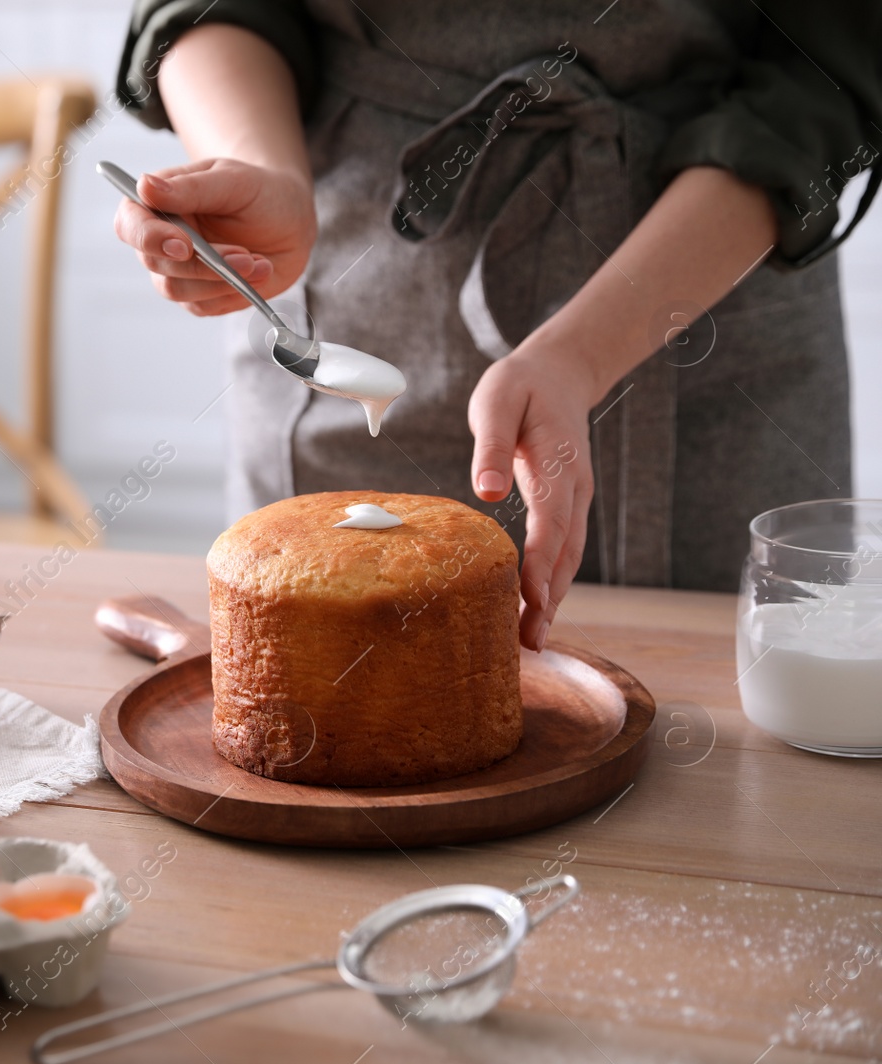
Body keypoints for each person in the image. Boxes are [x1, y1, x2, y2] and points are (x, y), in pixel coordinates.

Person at [111, 2, 879, 648]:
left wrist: (581, 355)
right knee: (324, 686)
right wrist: (255, 166)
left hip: (713, 287)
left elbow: (829, 66)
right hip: (355, 265)